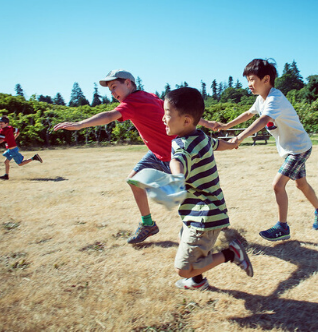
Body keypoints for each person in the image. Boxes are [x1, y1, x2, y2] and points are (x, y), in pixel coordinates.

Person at [53, 69, 217, 244]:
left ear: (128, 83)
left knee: (184, 194)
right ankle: (148, 224)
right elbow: (181, 111)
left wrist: (80, 124)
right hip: (156, 153)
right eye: (110, 90)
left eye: (115, 86)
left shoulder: (131, 102)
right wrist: (207, 123)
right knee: (133, 180)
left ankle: (202, 222)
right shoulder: (149, 96)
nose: (113, 93)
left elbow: (109, 116)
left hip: (173, 154)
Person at [215, 58, 318, 238]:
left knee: (278, 185)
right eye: (247, 80)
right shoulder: (262, 99)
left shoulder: (275, 98)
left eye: (252, 79)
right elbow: (249, 114)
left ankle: (282, 227)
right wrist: (225, 126)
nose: (249, 84)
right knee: (301, 184)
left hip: (299, 148)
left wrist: (238, 138)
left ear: (266, 79)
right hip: (295, 148)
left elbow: (263, 120)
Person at [163, 87, 253, 290]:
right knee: (182, 238)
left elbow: (178, 161)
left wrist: (175, 176)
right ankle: (197, 281)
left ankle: (231, 254)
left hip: (204, 217)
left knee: (183, 269)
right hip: (203, 212)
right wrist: (231, 145)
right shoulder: (200, 137)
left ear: (186, 120)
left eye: (167, 114)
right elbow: (216, 144)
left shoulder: (184, 146)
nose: (163, 118)